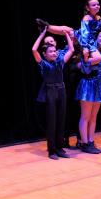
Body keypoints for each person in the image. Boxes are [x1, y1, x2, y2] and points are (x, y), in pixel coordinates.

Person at [37, 0, 101, 63]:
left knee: (69, 31)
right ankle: (46, 27)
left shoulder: (99, 18)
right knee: (68, 30)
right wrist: (85, 47)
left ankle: (85, 64)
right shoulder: (86, 18)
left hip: (90, 40)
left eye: (98, 4)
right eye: (94, 5)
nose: (97, 6)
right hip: (84, 38)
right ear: (88, 8)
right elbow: (85, 33)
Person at [32, 28, 74, 160]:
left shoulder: (60, 62)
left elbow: (71, 50)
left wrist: (67, 35)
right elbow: (34, 50)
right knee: (52, 121)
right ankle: (52, 150)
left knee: (61, 119)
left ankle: (60, 147)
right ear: (45, 54)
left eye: (55, 51)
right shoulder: (43, 64)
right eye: (50, 51)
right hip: (50, 91)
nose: (54, 53)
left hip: (62, 90)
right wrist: (42, 34)